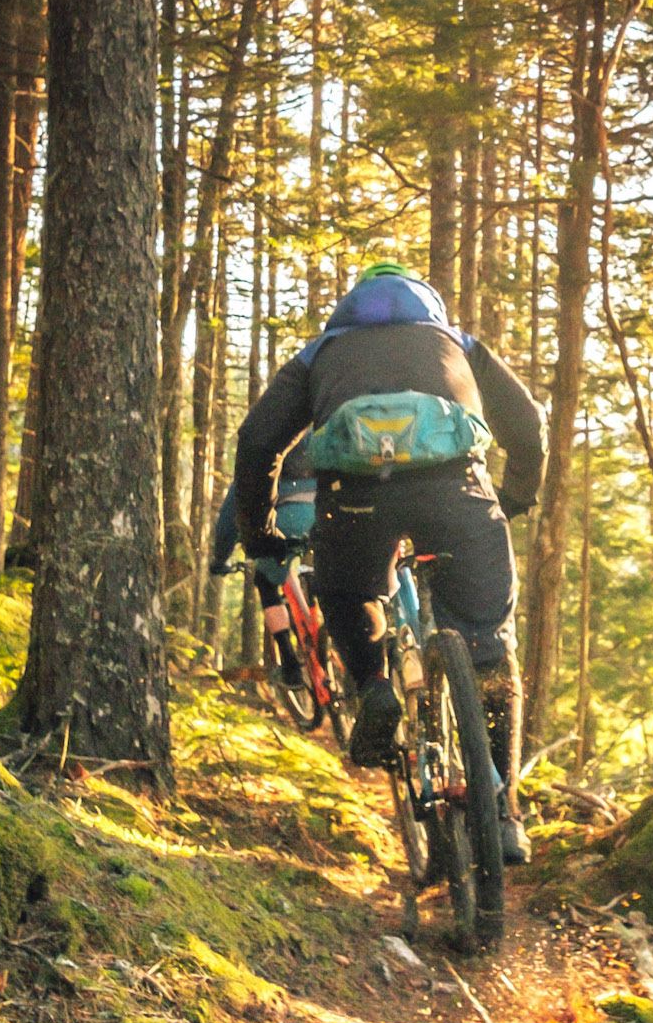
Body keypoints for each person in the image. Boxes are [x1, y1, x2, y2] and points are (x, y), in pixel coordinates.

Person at [231, 261, 547, 863]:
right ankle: (503, 812)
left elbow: (256, 441)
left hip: (355, 501)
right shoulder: (458, 343)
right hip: (456, 492)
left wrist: (262, 535)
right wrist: (514, 499)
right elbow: (527, 423)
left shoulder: (321, 353)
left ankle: (374, 686)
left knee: (348, 593)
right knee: (491, 649)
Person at [208, 436, 318, 692]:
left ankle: (290, 666)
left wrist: (220, 559)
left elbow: (228, 519)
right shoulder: (317, 431)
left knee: (265, 581)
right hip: (326, 512)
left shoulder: (262, 442)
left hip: (286, 519)